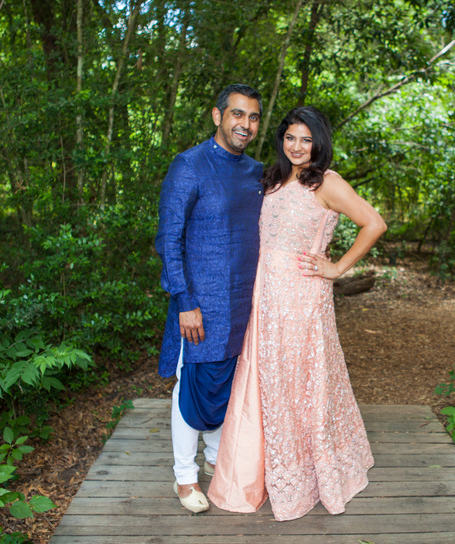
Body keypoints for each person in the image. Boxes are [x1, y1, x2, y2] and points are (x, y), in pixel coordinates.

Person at [208, 106, 387, 521]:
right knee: (267, 382)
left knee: (301, 381)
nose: (298, 146)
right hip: (265, 297)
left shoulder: (327, 182)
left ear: (319, 142)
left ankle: (309, 473)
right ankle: (261, 471)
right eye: (291, 137)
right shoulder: (273, 178)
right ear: (281, 140)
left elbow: (374, 223)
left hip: (302, 299)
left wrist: (337, 268)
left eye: (307, 139)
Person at [155, 84, 263, 513]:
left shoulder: (256, 172)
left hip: (244, 303)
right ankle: (185, 477)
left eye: (253, 117)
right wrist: (184, 300)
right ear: (217, 116)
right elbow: (168, 239)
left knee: (230, 385)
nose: (246, 124)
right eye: (238, 114)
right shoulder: (189, 166)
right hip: (200, 305)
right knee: (194, 388)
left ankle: (220, 461)